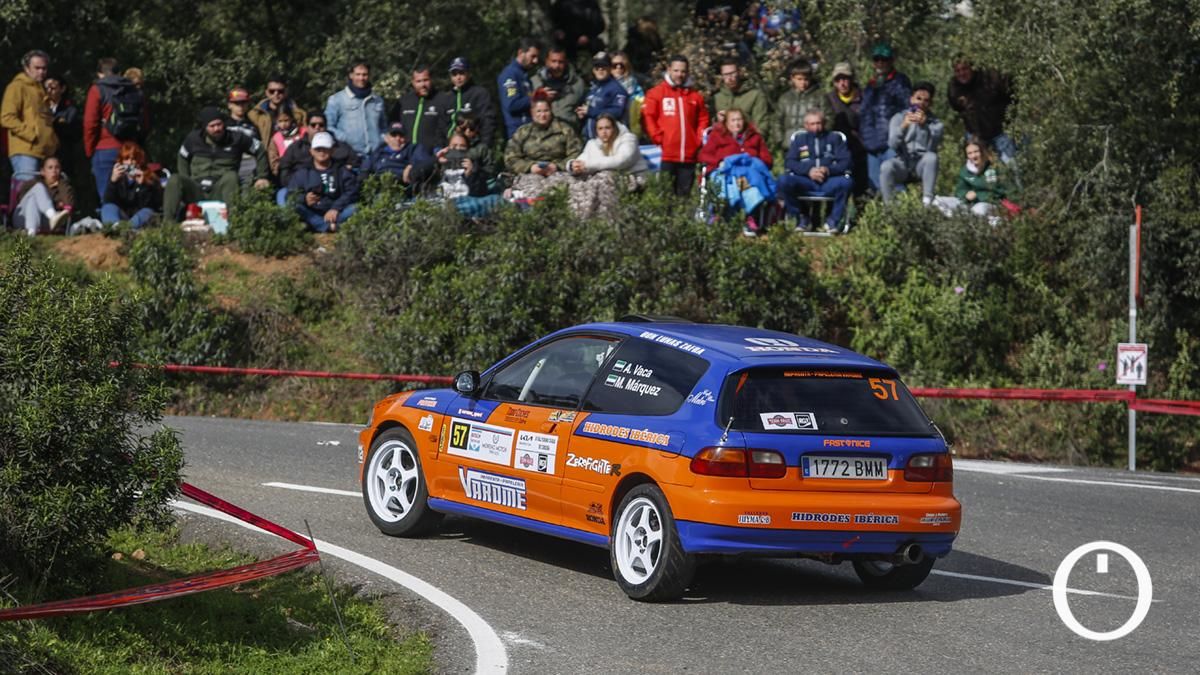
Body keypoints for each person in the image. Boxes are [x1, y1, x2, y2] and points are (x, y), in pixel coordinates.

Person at [163, 106, 270, 222]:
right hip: (197, 188)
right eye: (212, 126)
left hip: (221, 188)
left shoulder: (236, 138)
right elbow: (182, 156)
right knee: (174, 179)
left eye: (219, 124)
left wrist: (262, 176)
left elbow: (259, 149)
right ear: (204, 127)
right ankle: (169, 226)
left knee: (231, 177)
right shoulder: (193, 139)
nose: (217, 129)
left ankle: (234, 223)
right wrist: (186, 177)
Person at [642, 55, 709, 196]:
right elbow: (649, 117)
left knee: (684, 195)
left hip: (688, 156)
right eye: (676, 70)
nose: (680, 75)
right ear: (669, 70)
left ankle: (683, 218)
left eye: (683, 71)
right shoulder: (657, 93)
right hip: (667, 155)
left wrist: (698, 139)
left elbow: (703, 118)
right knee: (666, 196)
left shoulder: (695, 96)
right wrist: (658, 138)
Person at [777, 109, 853, 233]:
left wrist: (828, 170)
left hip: (829, 180)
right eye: (812, 124)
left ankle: (833, 220)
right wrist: (808, 171)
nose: (816, 127)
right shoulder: (799, 140)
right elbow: (790, 162)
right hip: (806, 180)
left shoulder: (834, 138)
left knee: (846, 182)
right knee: (783, 181)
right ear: (806, 125)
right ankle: (801, 217)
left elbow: (846, 162)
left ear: (824, 123)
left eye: (819, 123)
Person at [83, 57, 146, 202]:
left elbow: (90, 123)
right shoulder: (134, 89)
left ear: (100, 74)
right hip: (130, 149)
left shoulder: (97, 89)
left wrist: (90, 150)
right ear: (119, 72)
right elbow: (145, 122)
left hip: (105, 148)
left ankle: (112, 222)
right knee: (132, 195)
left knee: (108, 196)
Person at [567, 113, 647, 219]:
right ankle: (578, 219)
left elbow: (621, 161)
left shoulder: (628, 140)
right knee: (576, 181)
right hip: (605, 179)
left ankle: (607, 219)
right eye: (600, 129)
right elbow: (582, 160)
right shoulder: (593, 144)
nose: (604, 132)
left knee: (604, 176)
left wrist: (589, 165)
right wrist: (573, 166)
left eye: (607, 128)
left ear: (614, 128)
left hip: (632, 178)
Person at [859, 42, 912, 194]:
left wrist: (897, 137)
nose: (880, 63)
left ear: (891, 61)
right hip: (872, 145)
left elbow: (906, 111)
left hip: (892, 144)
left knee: (895, 184)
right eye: (877, 59)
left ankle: (904, 217)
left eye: (884, 59)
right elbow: (864, 115)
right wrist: (866, 140)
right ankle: (886, 217)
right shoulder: (871, 85)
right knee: (877, 188)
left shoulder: (901, 81)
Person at [504, 97, 582, 198]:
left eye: (546, 111)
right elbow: (510, 158)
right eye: (539, 111)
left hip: (559, 173)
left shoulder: (564, 129)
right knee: (531, 191)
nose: (543, 115)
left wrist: (557, 166)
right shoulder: (523, 132)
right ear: (532, 113)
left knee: (560, 190)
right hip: (530, 174)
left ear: (551, 111)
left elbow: (576, 153)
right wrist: (530, 167)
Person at [880, 82, 943, 205]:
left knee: (932, 158)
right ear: (911, 99)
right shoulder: (898, 117)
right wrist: (903, 127)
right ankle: (889, 207)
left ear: (930, 104)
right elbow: (892, 144)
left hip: (921, 164)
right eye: (918, 98)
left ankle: (927, 202)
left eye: (926, 101)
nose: (921, 103)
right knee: (886, 166)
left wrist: (926, 126)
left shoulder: (935, 123)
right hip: (903, 162)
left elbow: (933, 147)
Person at [948, 57, 1016, 165]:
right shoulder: (954, 87)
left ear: (972, 68)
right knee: (979, 170)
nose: (961, 73)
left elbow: (1013, 93)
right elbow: (957, 107)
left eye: (964, 69)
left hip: (1001, 132)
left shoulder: (990, 78)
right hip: (976, 136)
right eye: (957, 71)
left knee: (1010, 166)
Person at [287, 131, 359, 232]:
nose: (321, 152)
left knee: (356, 208)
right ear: (311, 151)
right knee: (293, 205)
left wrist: (335, 208)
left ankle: (317, 226)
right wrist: (304, 198)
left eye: (325, 148)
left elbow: (352, 191)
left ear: (332, 150)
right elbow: (291, 194)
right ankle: (327, 226)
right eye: (318, 149)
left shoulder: (341, 170)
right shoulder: (302, 171)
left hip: (337, 212)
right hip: (312, 212)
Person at [2, 50, 56, 182]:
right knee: (28, 193)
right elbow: (6, 117)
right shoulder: (17, 87)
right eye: (37, 68)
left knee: (42, 197)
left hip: (44, 151)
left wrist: (53, 141)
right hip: (25, 151)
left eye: (44, 68)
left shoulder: (41, 90)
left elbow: (45, 120)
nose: (41, 72)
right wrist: (31, 135)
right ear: (26, 68)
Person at [276, 112, 355, 204]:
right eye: (313, 125)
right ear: (307, 127)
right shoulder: (296, 147)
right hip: (301, 188)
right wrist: (301, 185)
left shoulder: (338, 146)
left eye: (321, 125)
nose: (317, 127)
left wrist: (348, 168)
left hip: (333, 190)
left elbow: (354, 161)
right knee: (282, 194)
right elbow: (284, 170)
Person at [932, 138, 1010, 222]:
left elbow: (998, 192)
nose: (973, 156)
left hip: (989, 205)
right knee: (937, 202)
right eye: (969, 153)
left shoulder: (993, 168)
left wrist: (978, 195)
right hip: (969, 204)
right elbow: (960, 191)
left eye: (976, 152)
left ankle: (991, 222)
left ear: (983, 151)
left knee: (978, 210)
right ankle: (959, 221)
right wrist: (966, 195)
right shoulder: (965, 171)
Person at [325, 59, 387, 159]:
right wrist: (345, 138)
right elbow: (328, 126)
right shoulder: (337, 99)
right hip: (349, 156)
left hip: (376, 156)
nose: (361, 78)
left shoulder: (377, 100)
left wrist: (381, 139)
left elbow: (384, 126)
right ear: (351, 75)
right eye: (358, 74)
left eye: (365, 74)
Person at [433, 57, 497, 149]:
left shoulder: (479, 93)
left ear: (469, 73)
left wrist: (484, 145)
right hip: (450, 148)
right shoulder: (446, 98)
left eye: (461, 73)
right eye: (454, 74)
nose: (458, 77)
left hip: (473, 147)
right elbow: (440, 127)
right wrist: (438, 147)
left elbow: (488, 122)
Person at [825, 61, 867, 195]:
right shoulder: (828, 99)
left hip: (860, 150)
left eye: (845, 79)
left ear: (852, 79)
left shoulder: (865, 97)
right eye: (838, 79)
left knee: (861, 189)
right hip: (836, 151)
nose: (842, 83)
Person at [362, 121, 435, 197]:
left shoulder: (412, 149)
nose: (397, 139)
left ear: (406, 138)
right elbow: (364, 170)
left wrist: (411, 167)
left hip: (403, 190)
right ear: (387, 138)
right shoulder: (378, 152)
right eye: (394, 135)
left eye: (401, 135)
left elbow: (427, 163)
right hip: (379, 189)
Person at [100, 141, 161, 229]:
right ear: (121, 161)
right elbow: (108, 201)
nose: (130, 162)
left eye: (133, 159)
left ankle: (127, 229)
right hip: (122, 216)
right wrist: (113, 182)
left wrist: (142, 186)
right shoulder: (117, 176)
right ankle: (115, 228)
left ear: (139, 161)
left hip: (138, 218)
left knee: (147, 212)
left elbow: (150, 206)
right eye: (126, 159)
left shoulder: (149, 177)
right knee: (107, 208)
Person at [698, 108, 772, 174]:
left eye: (739, 120)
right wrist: (719, 162)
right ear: (726, 123)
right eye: (733, 120)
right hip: (725, 172)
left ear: (744, 121)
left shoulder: (754, 136)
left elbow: (767, 159)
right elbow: (703, 156)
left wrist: (755, 164)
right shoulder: (717, 136)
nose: (737, 124)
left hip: (752, 171)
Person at [774, 60, 826, 154]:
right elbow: (777, 121)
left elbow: (828, 118)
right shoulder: (784, 98)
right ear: (792, 78)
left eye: (806, 79)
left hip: (813, 144)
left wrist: (820, 136)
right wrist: (780, 141)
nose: (803, 83)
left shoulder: (819, 96)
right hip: (789, 145)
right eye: (799, 79)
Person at [710, 58, 769, 141]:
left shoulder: (755, 95)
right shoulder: (717, 98)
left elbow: (762, 124)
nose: (729, 78)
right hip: (723, 146)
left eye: (732, 73)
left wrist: (753, 142)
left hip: (748, 144)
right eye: (726, 75)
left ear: (739, 72)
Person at [12, 155, 72, 235]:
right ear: (42, 171)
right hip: (22, 217)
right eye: (50, 167)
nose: (54, 170)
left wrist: (61, 183)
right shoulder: (33, 183)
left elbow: (69, 203)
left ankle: (31, 234)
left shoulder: (62, 186)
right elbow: (21, 198)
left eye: (57, 167)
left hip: (47, 222)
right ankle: (52, 215)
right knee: (34, 195)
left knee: (33, 198)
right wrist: (52, 203)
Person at [532, 47, 587, 131]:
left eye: (560, 62)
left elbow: (584, 106)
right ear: (547, 62)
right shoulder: (535, 82)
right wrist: (540, 96)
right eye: (553, 61)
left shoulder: (577, 83)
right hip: (542, 135)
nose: (557, 65)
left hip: (570, 133)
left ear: (565, 63)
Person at [390, 66, 441, 153]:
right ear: (413, 82)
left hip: (431, 155)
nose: (423, 85)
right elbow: (392, 125)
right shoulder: (404, 101)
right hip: (405, 154)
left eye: (425, 80)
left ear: (431, 80)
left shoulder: (442, 99)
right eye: (419, 81)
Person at [577, 52, 628, 140]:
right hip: (588, 139)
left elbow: (617, 111)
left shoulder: (617, 89)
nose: (600, 69)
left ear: (610, 68)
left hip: (608, 140)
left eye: (603, 66)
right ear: (593, 70)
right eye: (597, 67)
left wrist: (591, 111)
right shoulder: (592, 89)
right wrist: (581, 114)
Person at [498, 39, 541, 139]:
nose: (536, 61)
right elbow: (512, 104)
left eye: (537, 57)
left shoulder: (524, 75)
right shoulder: (509, 75)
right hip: (518, 133)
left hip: (530, 130)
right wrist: (536, 98)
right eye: (533, 56)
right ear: (521, 53)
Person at [248, 74, 306, 146]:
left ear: (285, 92)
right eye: (272, 91)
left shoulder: (299, 115)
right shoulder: (255, 114)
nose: (276, 94)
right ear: (266, 92)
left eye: (280, 91)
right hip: (267, 155)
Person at [225, 87, 261, 184]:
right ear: (229, 105)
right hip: (229, 168)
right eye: (236, 103)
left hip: (250, 170)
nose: (240, 106)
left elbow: (259, 150)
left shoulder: (253, 127)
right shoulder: (223, 126)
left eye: (243, 103)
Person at [267, 107, 306, 180]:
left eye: (286, 120)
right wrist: (279, 170)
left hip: (304, 167)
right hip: (286, 172)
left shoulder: (302, 132)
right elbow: (273, 159)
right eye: (280, 121)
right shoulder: (276, 138)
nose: (283, 124)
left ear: (291, 119)